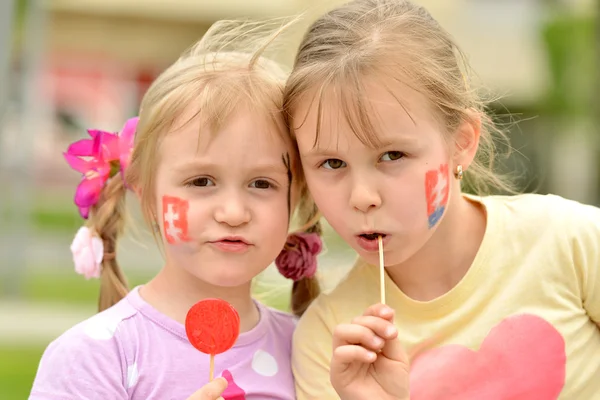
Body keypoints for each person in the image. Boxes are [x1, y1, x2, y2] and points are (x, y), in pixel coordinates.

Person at [283, 0, 600, 398]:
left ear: (462, 141)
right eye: (331, 163)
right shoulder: (329, 343)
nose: (362, 197)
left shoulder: (573, 244)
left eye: (392, 156)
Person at [29, 18, 323, 400]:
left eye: (262, 184)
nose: (234, 212)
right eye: (201, 181)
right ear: (146, 193)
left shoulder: (312, 350)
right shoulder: (93, 358)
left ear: (295, 197)